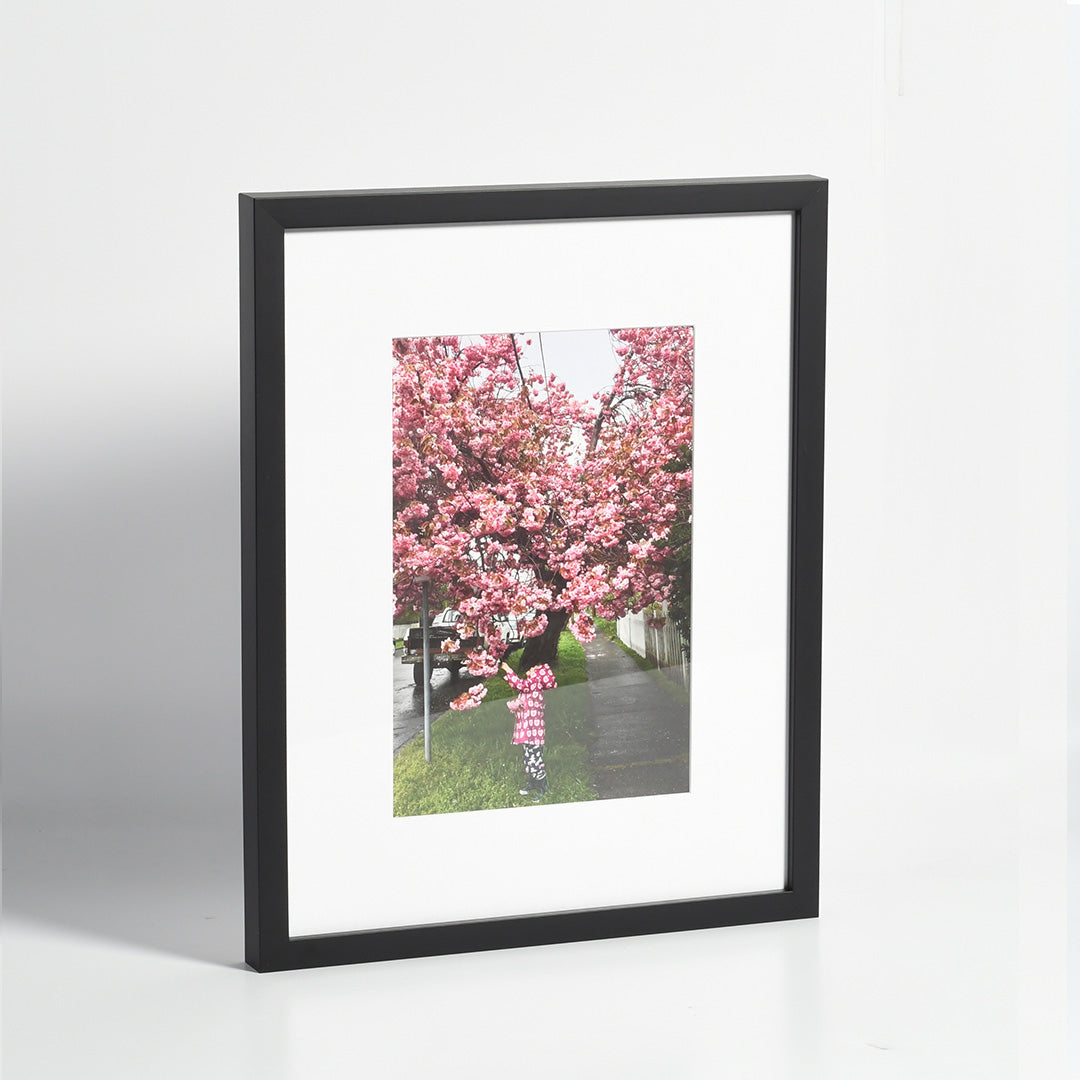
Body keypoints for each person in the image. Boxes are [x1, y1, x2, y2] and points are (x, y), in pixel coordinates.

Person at [501, 660, 557, 802]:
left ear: (538, 676)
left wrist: (507, 669)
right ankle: (532, 783)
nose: (530, 668)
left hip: (533, 732)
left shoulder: (534, 684)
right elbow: (523, 700)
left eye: (533, 668)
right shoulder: (531, 687)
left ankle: (543, 786)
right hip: (527, 729)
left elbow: (519, 684)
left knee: (535, 758)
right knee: (528, 756)